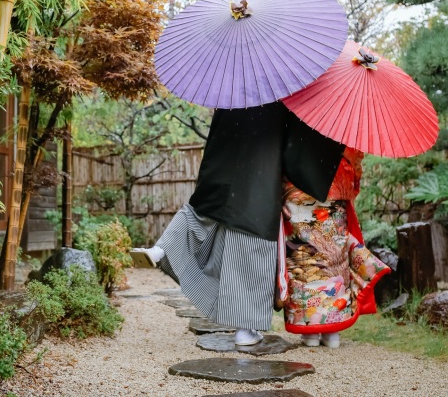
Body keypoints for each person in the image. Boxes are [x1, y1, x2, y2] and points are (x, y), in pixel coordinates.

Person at [132, 103, 344, 346]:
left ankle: (162, 248)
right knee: (250, 250)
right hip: (257, 182)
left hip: (220, 174)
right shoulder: (279, 100)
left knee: (199, 215)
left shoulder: (231, 94)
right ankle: (245, 330)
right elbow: (295, 155)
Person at [278, 147, 390, 348]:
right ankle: (332, 332)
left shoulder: (293, 125)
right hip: (334, 185)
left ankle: (310, 332)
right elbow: (353, 156)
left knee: (302, 257)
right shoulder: (339, 127)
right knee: (333, 258)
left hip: (296, 186)